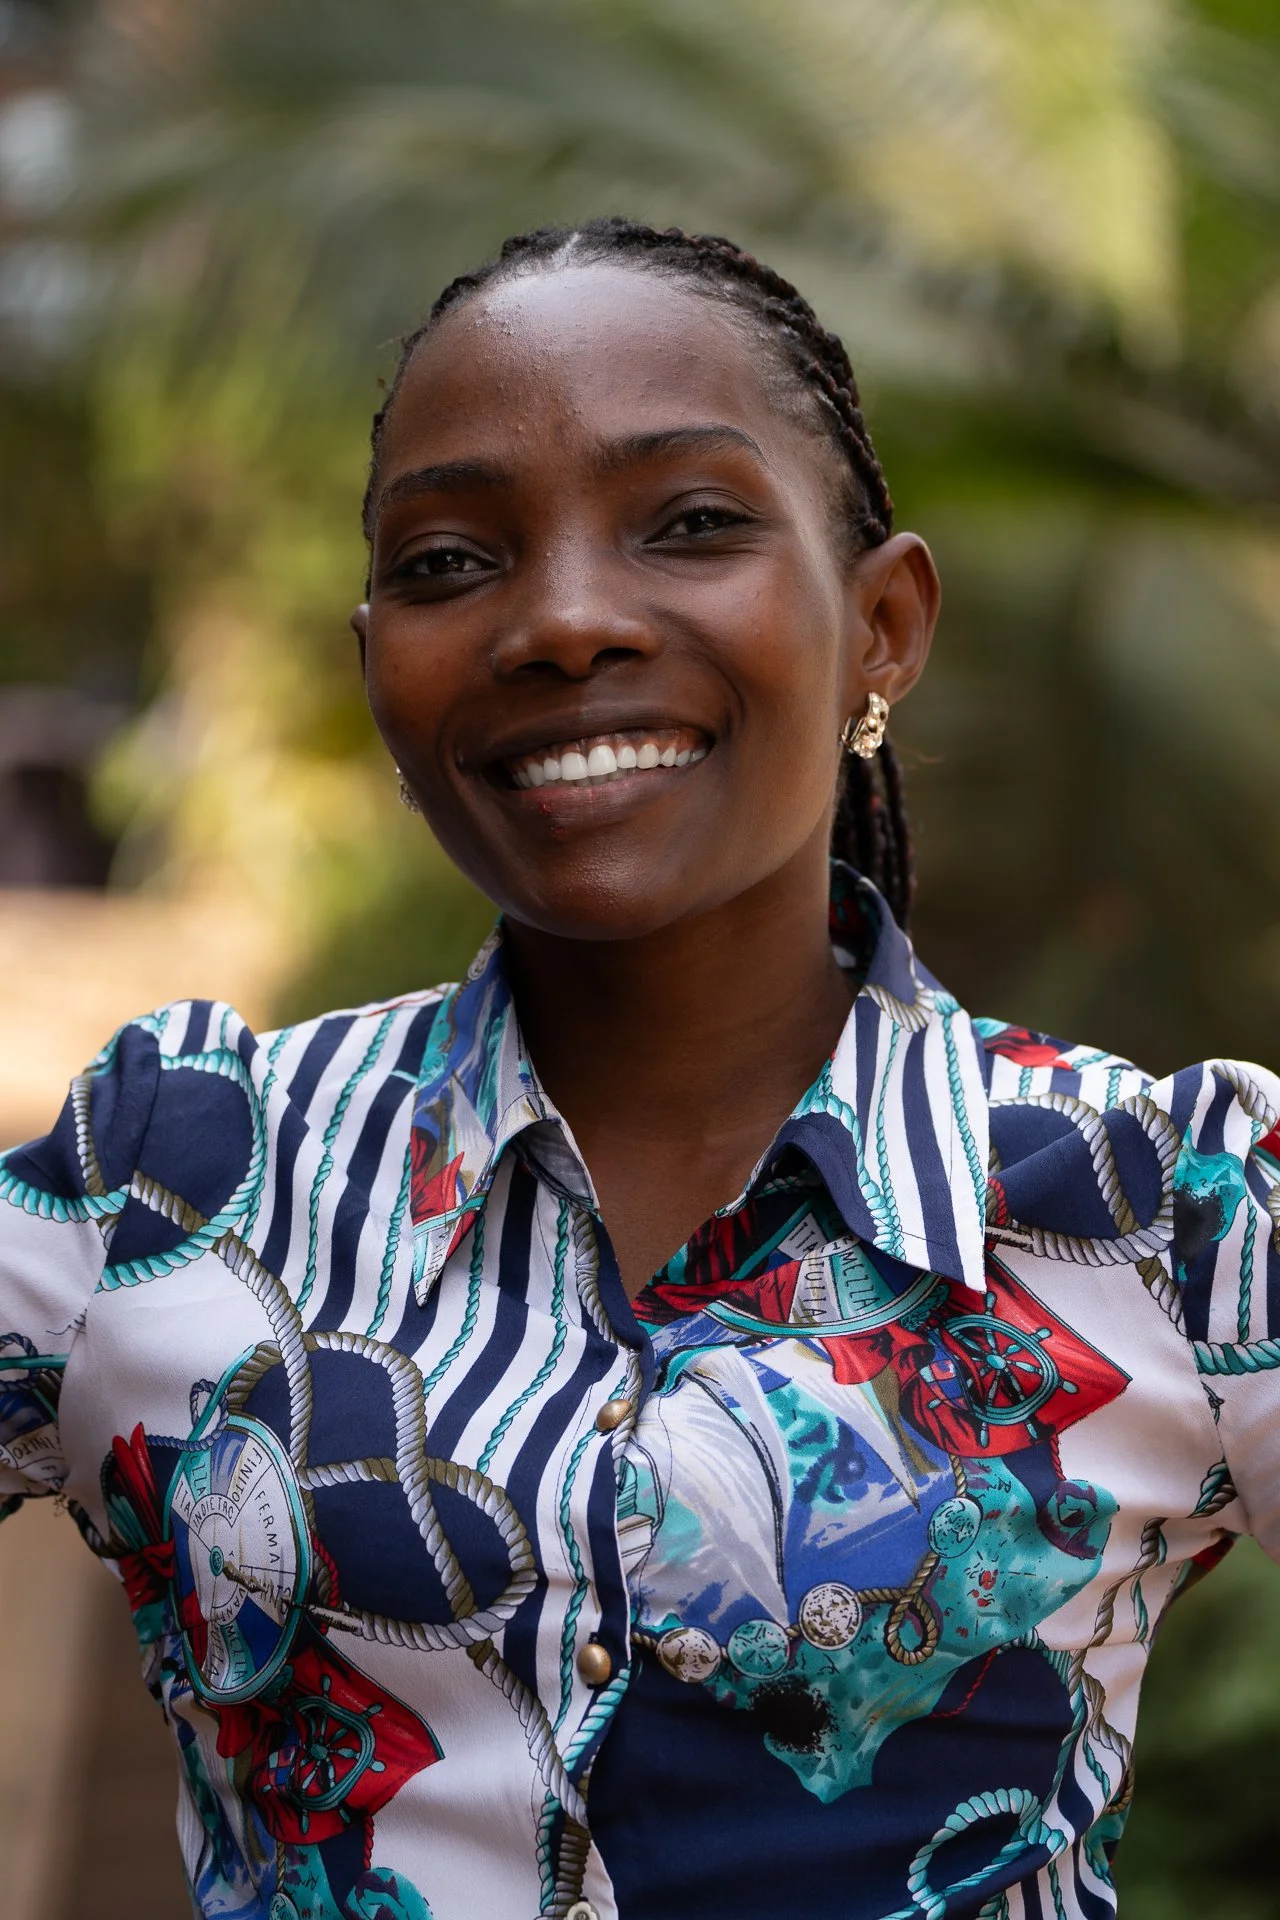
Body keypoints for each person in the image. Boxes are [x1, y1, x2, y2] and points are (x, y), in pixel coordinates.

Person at [1, 216, 1277, 1920]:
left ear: (884, 627)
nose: (566, 619)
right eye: (452, 560)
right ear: (375, 661)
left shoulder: (1173, 1213)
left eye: (690, 524)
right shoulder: (166, 1184)